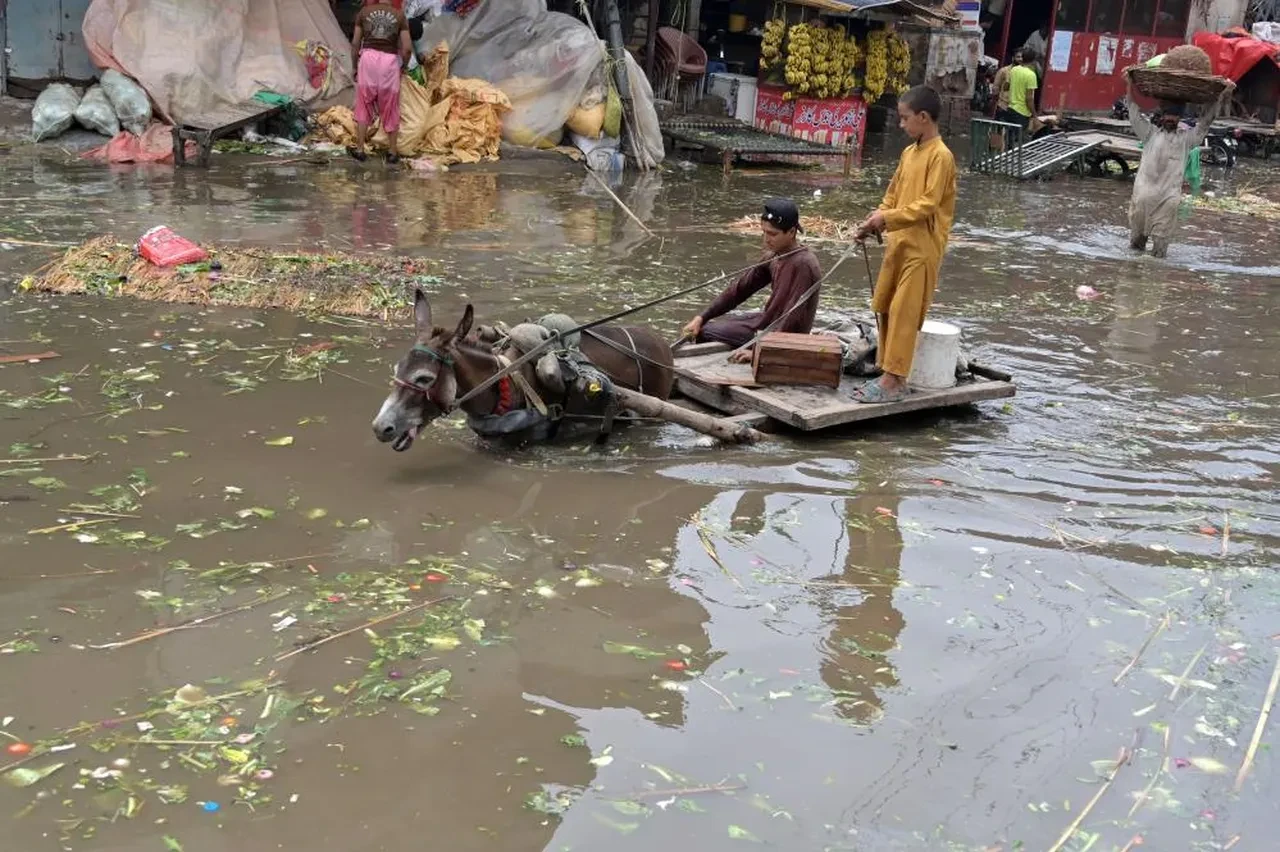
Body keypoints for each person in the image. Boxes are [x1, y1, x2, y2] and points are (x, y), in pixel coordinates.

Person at [853, 85, 957, 404]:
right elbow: (893, 194)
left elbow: (927, 205)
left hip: (923, 248)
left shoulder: (941, 157)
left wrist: (886, 219)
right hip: (898, 243)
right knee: (884, 304)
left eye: (904, 118)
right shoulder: (909, 153)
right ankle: (888, 370)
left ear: (923, 118)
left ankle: (895, 378)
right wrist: (875, 217)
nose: (901, 125)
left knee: (904, 311)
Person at [681, 198, 823, 363]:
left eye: (773, 234)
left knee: (707, 332)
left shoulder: (803, 264)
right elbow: (739, 290)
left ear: (791, 232)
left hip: (787, 338)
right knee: (706, 325)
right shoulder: (775, 256)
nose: (766, 239)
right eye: (764, 232)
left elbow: (793, 318)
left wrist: (760, 352)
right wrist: (701, 317)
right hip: (768, 322)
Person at [1125, 79, 1233, 258]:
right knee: (1135, 246)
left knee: (1160, 251)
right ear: (1162, 116)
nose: (1170, 119)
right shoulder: (1149, 134)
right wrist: (1128, 83)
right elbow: (1133, 111)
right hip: (1142, 198)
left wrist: (1221, 95)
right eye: (1168, 115)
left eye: (1175, 116)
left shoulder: (1187, 140)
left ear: (1179, 118)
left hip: (1168, 199)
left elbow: (1206, 122)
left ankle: (1153, 282)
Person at [349, 0, 412, 164]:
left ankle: (360, 149)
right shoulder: (399, 15)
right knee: (390, 105)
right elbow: (407, 49)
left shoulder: (364, 12)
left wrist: (355, 66)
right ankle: (392, 152)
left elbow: (355, 43)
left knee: (364, 103)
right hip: (389, 62)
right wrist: (403, 66)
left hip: (368, 59)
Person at [994, 49, 1036, 131]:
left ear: (1023, 58)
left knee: (1005, 135)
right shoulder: (1031, 75)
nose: (1019, 59)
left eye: (1021, 57)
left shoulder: (1014, 70)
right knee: (1012, 137)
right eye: (1017, 57)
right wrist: (1034, 114)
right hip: (1017, 110)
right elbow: (1029, 98)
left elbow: (1006, 86)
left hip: (1011, 108)